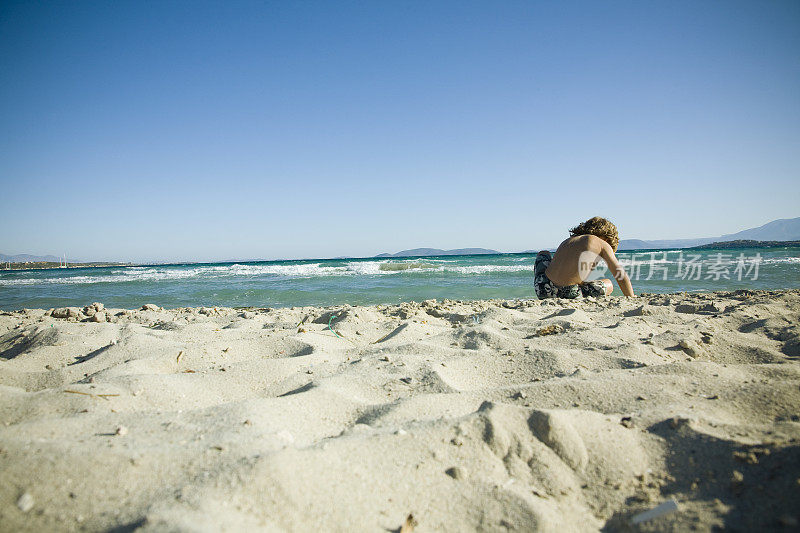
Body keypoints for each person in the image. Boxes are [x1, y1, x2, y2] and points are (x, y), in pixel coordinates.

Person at [534, 216, 634, 299]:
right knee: (609, 284)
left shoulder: (569, 240)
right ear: (608, 238)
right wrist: (631, 297)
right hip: (570, 294)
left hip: (542, 287)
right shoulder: (602, 243)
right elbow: (620, 274)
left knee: (544, 253)